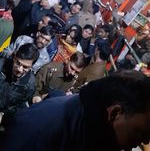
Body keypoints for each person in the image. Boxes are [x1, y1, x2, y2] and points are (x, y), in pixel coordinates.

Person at [1, 70, 150, 151]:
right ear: (115, 113)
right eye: (140, 132)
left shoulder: (86, 127)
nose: (144, 141)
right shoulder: (46, 129)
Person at [0, 43, 39, 117]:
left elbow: (18, 107)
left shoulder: (30, 85)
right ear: (14, 58)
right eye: (18, 63)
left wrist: (3, 113)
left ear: (32, 67)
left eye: (25, 67)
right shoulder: (1, 65)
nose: (19, 69)